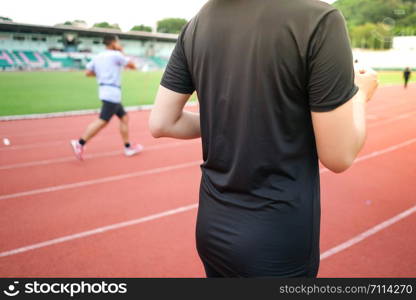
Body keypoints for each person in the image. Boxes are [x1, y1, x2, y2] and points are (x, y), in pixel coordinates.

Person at [149, 0, 378, 277]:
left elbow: (163, 122)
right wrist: (361, 96)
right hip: (276, 237)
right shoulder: (319, 18)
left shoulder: (198, 22)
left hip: (212, 226)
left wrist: (231, 122)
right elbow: (339, 156)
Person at [71, 34, 143, 160]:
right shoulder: (116, 55)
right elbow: (133, 66)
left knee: (124, 117)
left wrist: (102, 75)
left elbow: (88, 73)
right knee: (103, 120)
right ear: (113, 43)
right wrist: (121, 52)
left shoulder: (98, 56)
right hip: (112, 92)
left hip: (105, 89)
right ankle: (80, 143)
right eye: (118, 43)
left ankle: (127, 147)